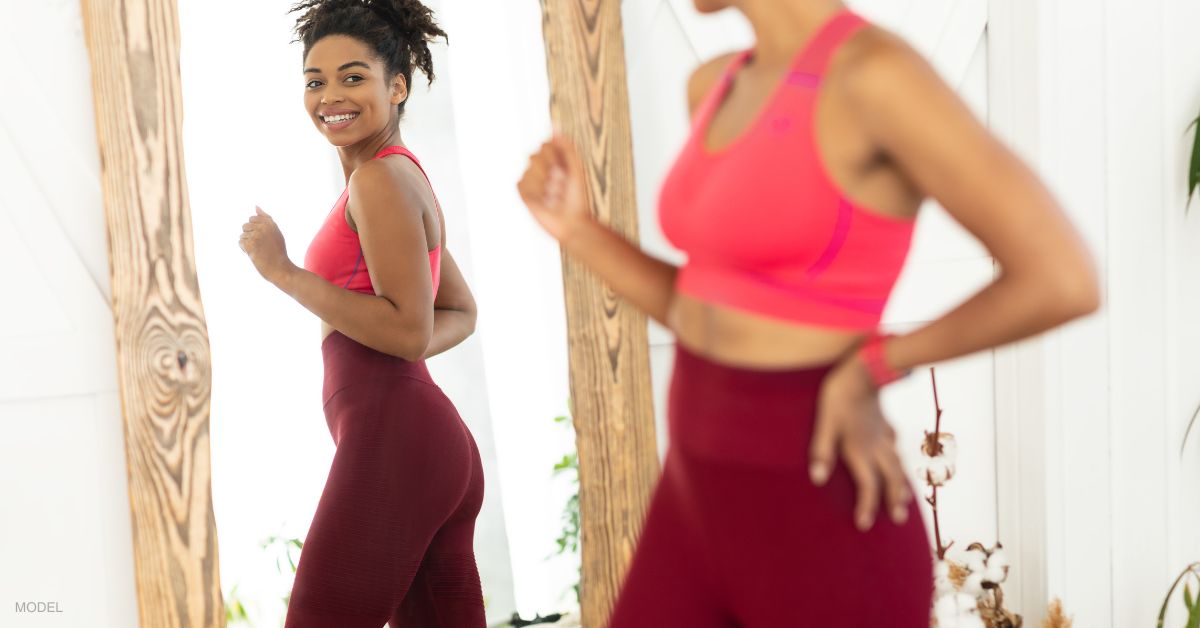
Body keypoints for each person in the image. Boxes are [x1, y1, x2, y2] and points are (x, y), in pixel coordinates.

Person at [517, 0, 1100, 625]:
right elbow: (706, 309)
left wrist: (876, 362)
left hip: (822, 521)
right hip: (693, 504)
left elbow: (1062, 277)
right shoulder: (715, 84)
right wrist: (576, 230)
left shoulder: (878, 77)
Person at [238, 1, 484, 626]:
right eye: (315, 81)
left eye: (353, 77)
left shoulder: (379, 181)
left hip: (397, 439)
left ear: (397, 86)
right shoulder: (400, 178)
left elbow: (408, 330)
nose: (330, 96)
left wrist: (283, 272)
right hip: (423, 438)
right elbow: (456, 312)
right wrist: (391, 356)